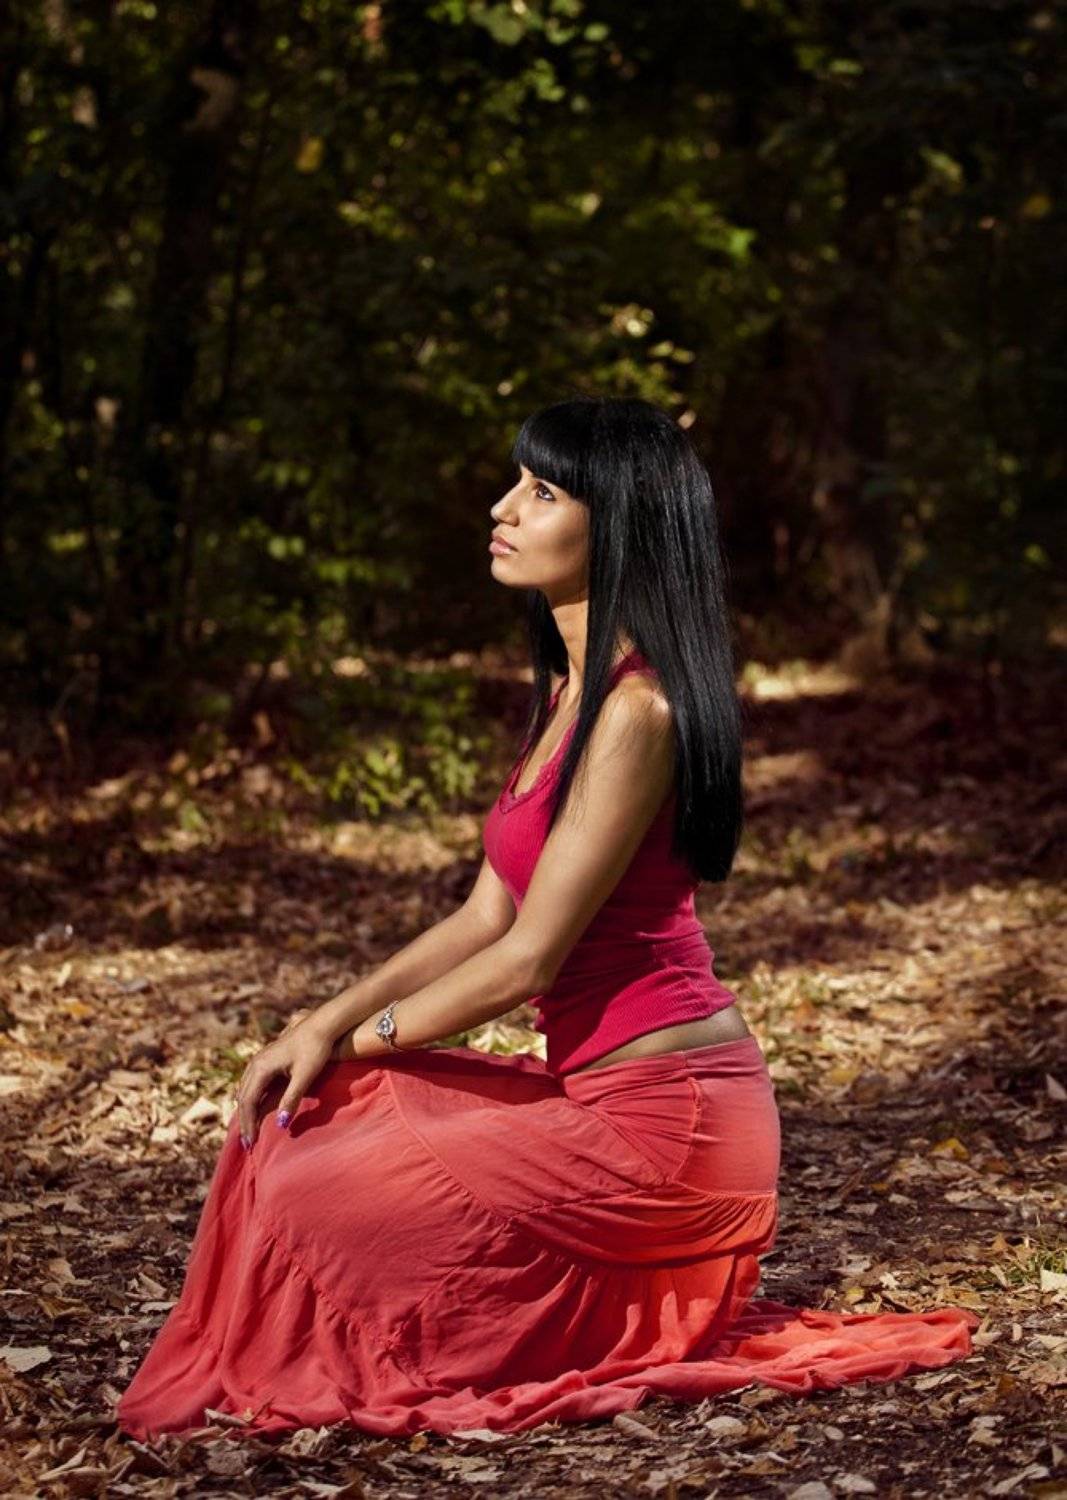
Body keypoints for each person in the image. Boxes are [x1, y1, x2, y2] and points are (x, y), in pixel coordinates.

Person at [115, 395, 978, 1442]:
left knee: (312, 1172)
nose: (503, 507)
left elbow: (527, 958)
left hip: (669, 1131)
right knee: (301, 1118)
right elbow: (484, 911)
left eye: (540, 491)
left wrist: (349, 1041)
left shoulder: (637, 711)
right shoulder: (573, 691)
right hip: (592, 1092)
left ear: (614, 522)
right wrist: (317, 1026)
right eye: (515, 483)